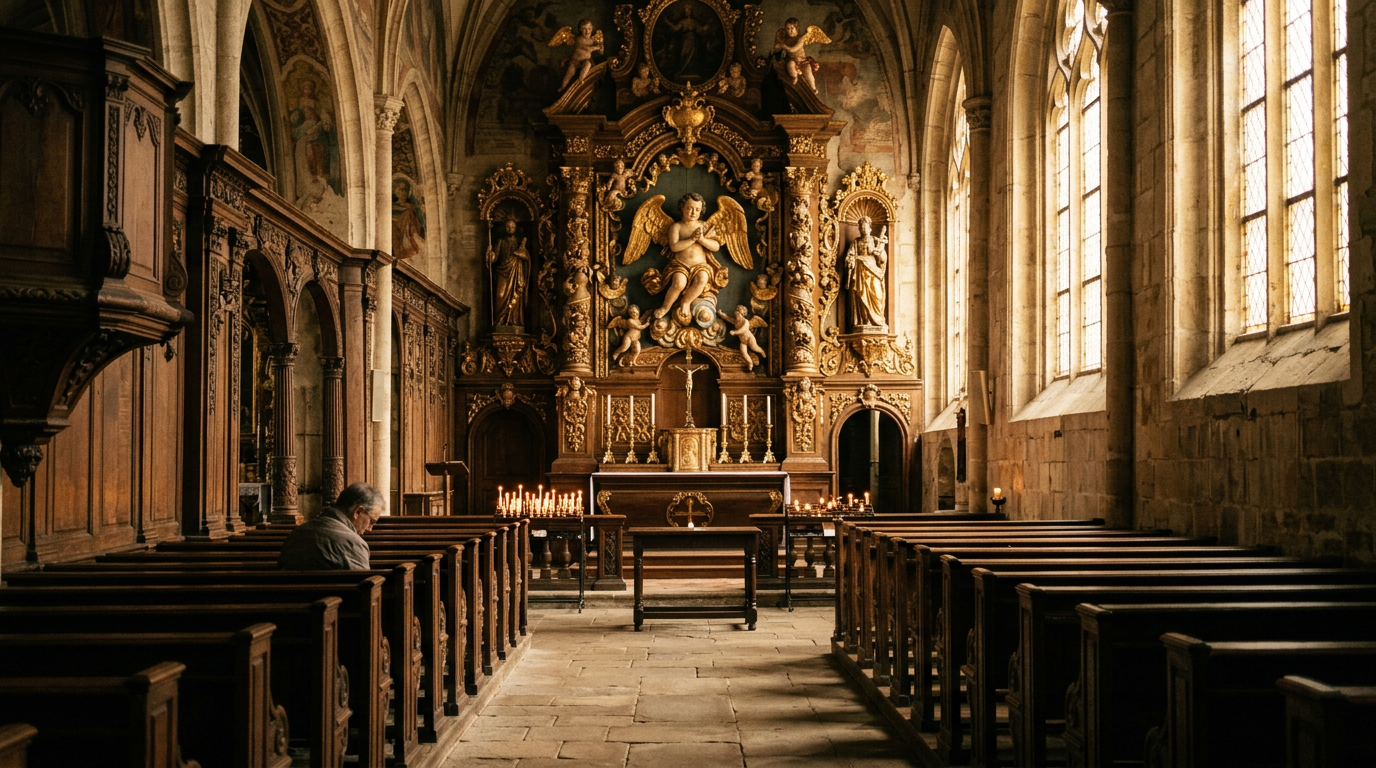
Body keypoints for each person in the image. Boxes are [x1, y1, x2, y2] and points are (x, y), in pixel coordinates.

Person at [277, 482, 384, 570]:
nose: (370, 528)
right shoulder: (354, 543)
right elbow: (363, 590)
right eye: (372, 521)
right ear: (357, 512)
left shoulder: (297, 533)